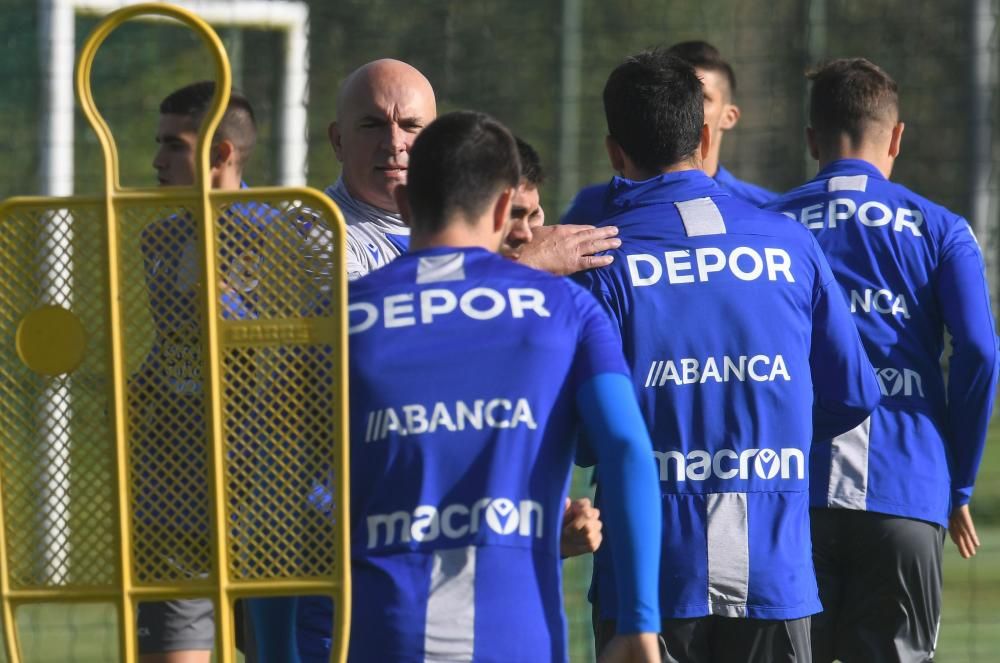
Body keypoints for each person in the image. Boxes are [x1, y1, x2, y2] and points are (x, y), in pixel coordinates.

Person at [568, 50, 881, 662]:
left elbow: (583, 435)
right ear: (705, 135)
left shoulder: (601, 260)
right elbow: (854, 395)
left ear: (614, 153)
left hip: (651, 581)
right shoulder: (791, 240)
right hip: (775, 573)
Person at [340, 110, 662, 662]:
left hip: (382, 636)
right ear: (500, 206)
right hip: (517, 636)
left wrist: (279, 647)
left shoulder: (341, 315)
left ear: (403, 205)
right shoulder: (568, 309)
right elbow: (628, 450)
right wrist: (637, 622)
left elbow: (286, 495)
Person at [764, 58, 999, 663]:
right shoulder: (942, 229)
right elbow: (978, 350)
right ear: (896, 137)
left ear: (812, 138)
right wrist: (960, 481)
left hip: (792, 494)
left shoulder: (767, 226)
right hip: (907, 490)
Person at [136, 81, 264, 663]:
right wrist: (140, 387)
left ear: (220, 155)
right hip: (177, 505)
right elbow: (176, 351)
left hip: (267, 511)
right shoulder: (157, 237)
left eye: (173, 145)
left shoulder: (283, 234)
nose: (157, 161)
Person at [325, 58, 622, 281]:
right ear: (338, 141)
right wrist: (520, 263)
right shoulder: (313, 230)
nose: (393, 143)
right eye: (372, 125)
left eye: (411, 126)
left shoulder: (473, 213)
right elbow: (363, 325)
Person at [564, 40, 775, 227]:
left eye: (701, 97)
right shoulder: (592, 206)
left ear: (729, 116)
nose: (686, 106)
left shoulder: (768, 208)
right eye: (675, 94)